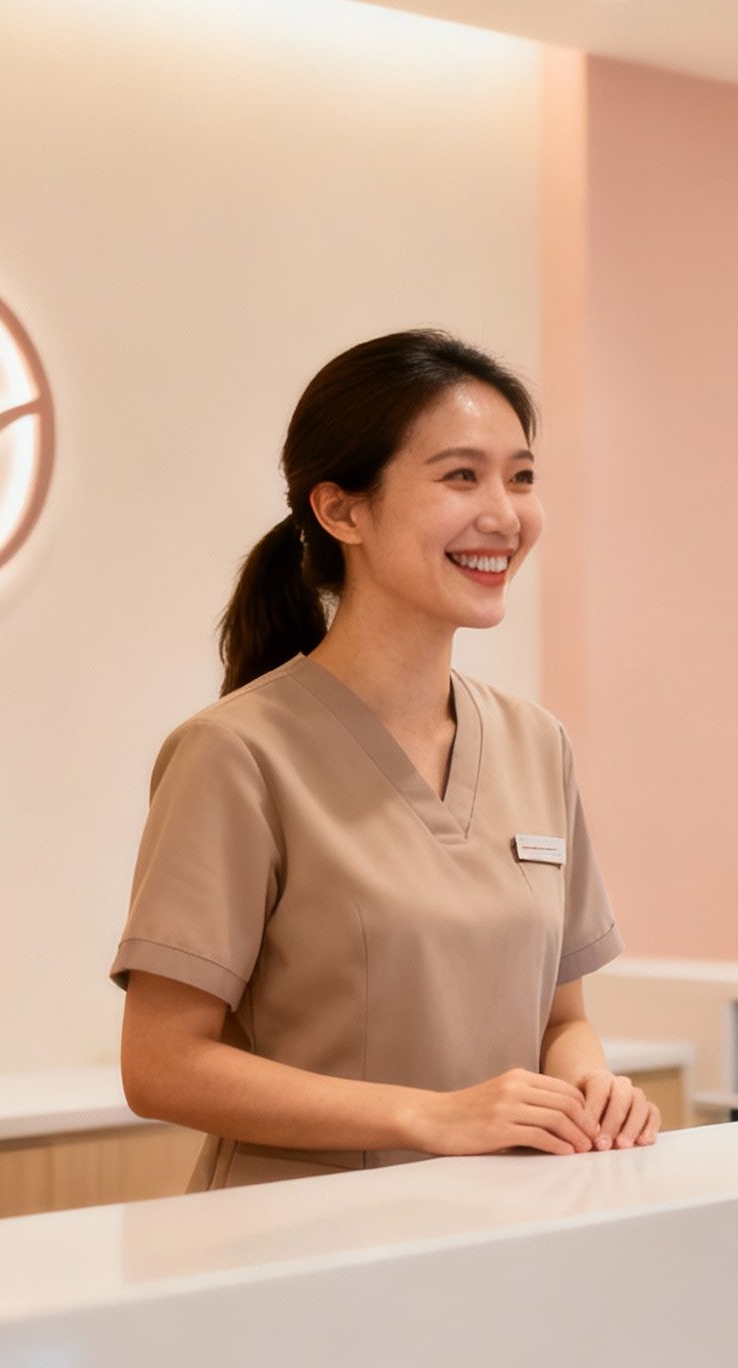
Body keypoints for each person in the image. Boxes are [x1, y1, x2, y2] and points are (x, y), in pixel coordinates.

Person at [114, 330, 657, 1191]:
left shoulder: (536, 744)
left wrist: (588, 1079)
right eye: (460, 476)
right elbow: (163, 1065)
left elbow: (561, 1018)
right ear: (341, 511)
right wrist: (428, 1115)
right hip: (300, 1244)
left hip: (497, 1232)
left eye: (520, 476)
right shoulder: (235, 753)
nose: (505, 515)